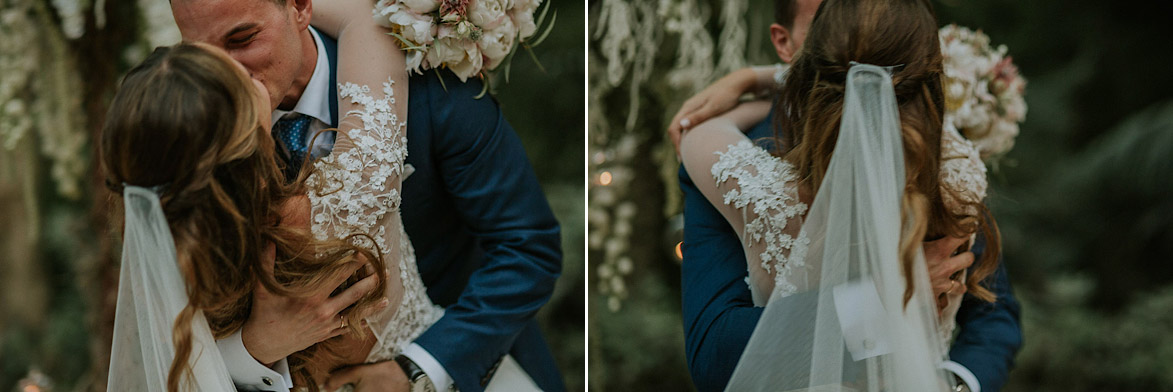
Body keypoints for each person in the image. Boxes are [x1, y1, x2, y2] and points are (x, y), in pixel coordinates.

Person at [167, 0, 565, 391]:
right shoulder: (193, 144)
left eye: (243, 39)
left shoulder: (431, 86)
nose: (228, 73)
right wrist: (255, 349)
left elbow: (527, 246)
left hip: (469, 368)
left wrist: (418, 370)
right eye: (202, 53)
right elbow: (176, 320)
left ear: (301, 7)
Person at [673, 0, 1022, 391]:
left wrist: (956, 385)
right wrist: (890, 298)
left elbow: (994, 311)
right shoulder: (955, 162)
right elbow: (714, 357)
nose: (862, 31)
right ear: (785, 42)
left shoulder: (729, 164)